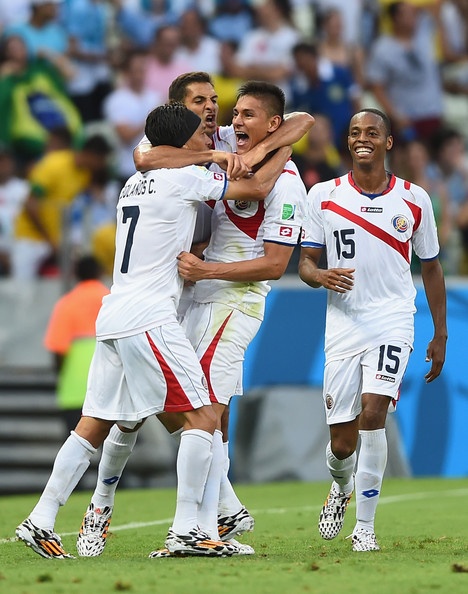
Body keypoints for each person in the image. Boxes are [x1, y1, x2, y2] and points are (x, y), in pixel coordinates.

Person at [15, 101, 292, 560]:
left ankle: (41, 519)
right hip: (148, 316)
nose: (208, 138)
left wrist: (209, 155)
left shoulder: (132, 181)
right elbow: (258, 187)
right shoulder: (184, 179)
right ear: (182, 141)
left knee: (92, 425)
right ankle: (187, 530)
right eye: (200, 134)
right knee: (202, 418)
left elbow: (155, 159)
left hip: (114, 312)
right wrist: (281, 148)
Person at [76, 73, 313, 559]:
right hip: (180, 293)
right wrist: (232, 154)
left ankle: (202, 524)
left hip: (229, 298)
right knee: (146, 410)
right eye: (203, 103)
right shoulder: (203, 144)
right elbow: (144, 156)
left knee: (204, 408)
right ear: (177, 110)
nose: (218, 114)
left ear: (269, 123)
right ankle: (113, 506)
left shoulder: (284, 181)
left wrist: (268, 149)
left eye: (223, 105)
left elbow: (300, 123)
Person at [298, 108, 447, 552]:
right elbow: (305, 262)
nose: (362, 138)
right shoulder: (323, 195)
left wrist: (440, 333)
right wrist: (319, 275)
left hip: (393, 318)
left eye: (372, 132)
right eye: (355, 132)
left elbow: (432, 267)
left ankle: (365, 528)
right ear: (348, 141)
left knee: (374, 412)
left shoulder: (414, 199)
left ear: (388, 142)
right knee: (342, 444)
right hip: (344, 323)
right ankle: (341, 486)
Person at [12, 133, 112, 279]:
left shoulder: (84, 174)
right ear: (91, 155)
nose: (102, 165)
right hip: (30, 237)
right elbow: (30, 203)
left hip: (57, 239)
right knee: (21, 285)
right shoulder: (54, 164)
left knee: (63, 283)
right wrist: (49, 239)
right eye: (101, 160)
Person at [43, 255, 109, 435]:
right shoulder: (110, 301)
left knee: (76, 446)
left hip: (74, 391)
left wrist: (60, 377)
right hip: (109, 391)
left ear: (75, 274)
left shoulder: (66, 303)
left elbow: (57, 349)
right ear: (100, 273)